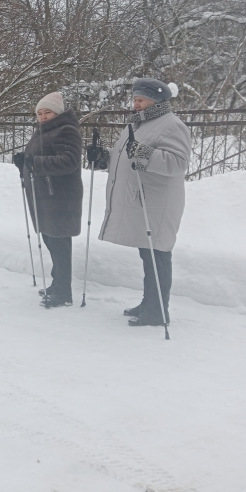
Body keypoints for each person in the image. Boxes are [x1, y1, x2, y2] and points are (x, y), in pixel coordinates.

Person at [90, 78, 190, 326]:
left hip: (157, 203)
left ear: (155, 101)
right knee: (148, 255)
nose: (135, 104)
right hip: (143, 201)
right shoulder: (137, 124)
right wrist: (103, 157)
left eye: (140, 100)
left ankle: (158, 312)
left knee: (157, 256)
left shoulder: (172, 125)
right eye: (134, 99)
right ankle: (149, 303)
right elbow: (126, 156)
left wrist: (144, 153)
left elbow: (178, 163)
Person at [13, 92, 83, 307]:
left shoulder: (66, 130)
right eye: (40, 113)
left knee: (60, 245)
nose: (43, 117)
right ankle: (57, 284)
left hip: (61, 197)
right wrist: (24, 161)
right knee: (51, 241)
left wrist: (36, 164)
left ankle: (63, 293)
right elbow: (38, 156)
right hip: (46, 196)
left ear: (57, 113)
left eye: (47, 112)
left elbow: (69, 160)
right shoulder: (43, 131)